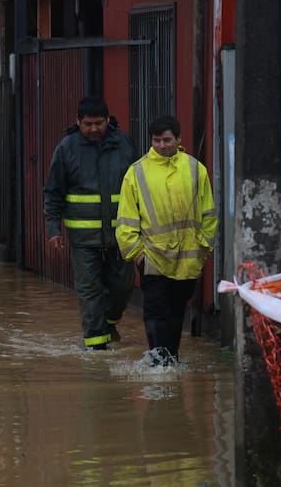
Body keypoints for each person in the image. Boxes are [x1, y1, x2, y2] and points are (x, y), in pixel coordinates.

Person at [115, 115, 218, 366]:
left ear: (179, 139)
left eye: (167, 140)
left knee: (176, 312)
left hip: (188, 261)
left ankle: (171, 361)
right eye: (157, 140)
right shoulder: (136, 172)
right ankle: (160, 364)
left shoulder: (195, 169)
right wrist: (138, 256)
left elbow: (209, 214)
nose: (161, 145)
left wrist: (204, 249)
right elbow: (126, 221)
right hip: (153, 259)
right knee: (155, 312)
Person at [44, 96, 137, 350]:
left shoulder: (124, 143)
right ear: (77, 121)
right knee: (89, 290)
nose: (94, 129)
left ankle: (108, 323)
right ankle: (96, 350)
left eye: (99, 123)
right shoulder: (67, 148)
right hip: (83, 238)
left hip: (121, 234)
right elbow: (53, 191)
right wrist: (53, 230)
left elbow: (139, 184)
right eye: (88, 124)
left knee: (123, 286)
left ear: (108, 120)